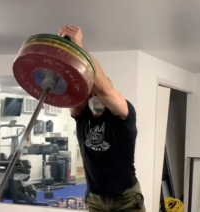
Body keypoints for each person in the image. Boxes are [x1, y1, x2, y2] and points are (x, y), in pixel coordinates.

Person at [59, 26, 145, 212]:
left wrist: (79, 45)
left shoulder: (123, 115)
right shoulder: (82, 116)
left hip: (126, 199)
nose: (95, 97)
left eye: (99, 93)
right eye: (92, 93)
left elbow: (104, 87)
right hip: (95, 200)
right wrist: (67, 52)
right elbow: (72, 92)